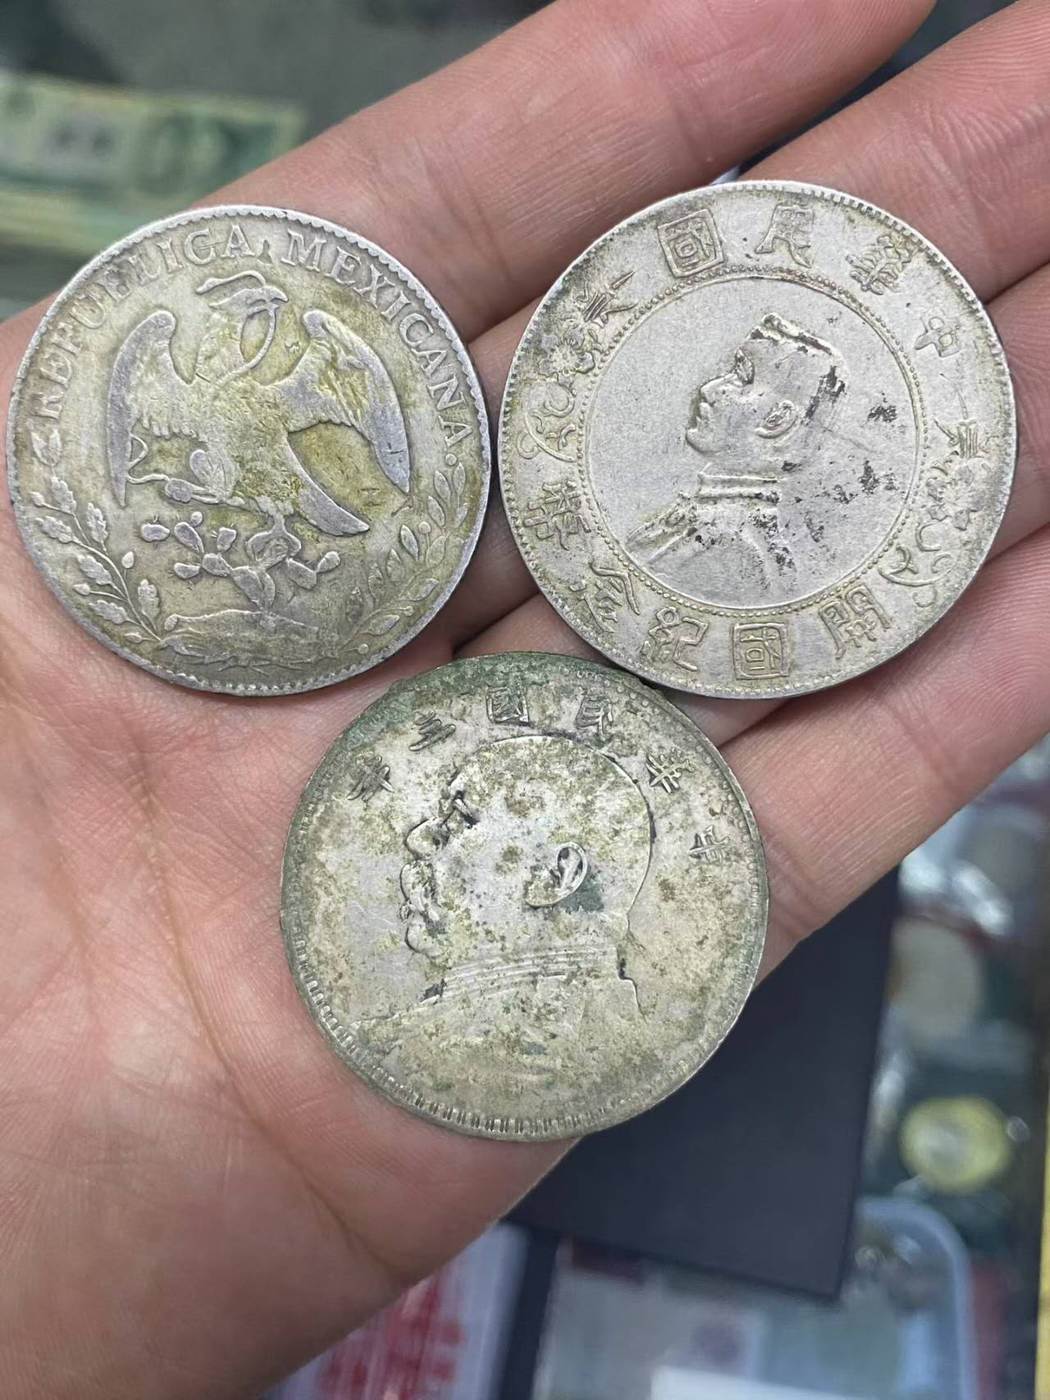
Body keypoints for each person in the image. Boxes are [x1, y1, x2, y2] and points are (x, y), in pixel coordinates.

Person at [2, 0, 1049, 1395]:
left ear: (796, 428)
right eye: (734, 353)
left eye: (751, 374)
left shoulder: (755, 562)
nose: (720, 381)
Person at [630, 313, 849, 598]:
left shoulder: (729, 546)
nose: (708, 389)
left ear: (777, 418)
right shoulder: (717, 527)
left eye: (742, 376)